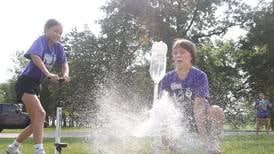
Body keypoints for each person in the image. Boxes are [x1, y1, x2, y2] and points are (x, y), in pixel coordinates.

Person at [6, 19, 70, 154]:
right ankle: (39, 151)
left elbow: (64, 63)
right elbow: (35, 57)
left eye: (60, 33)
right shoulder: (40, 41)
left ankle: (13, 147)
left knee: (37, 121)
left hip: (36, 85)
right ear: (46, 29)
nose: (58, 35)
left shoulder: (58, 47)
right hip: (25, 82)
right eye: (55, 31)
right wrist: (47, 73)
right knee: (41, 114)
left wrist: (65, 74)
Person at [159, 38, 224, 153]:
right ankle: (176, 148)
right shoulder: (167, 78)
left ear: (191, 56)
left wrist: (203, 138)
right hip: (180, 119)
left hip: (202, 117)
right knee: (166, 135)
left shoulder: (200, 76)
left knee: (216, 111)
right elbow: (163, 106)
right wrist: (164, 131)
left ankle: (213, 144)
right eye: (175, 53)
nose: (178, 55)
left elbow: (199, 105)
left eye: (182, 52)